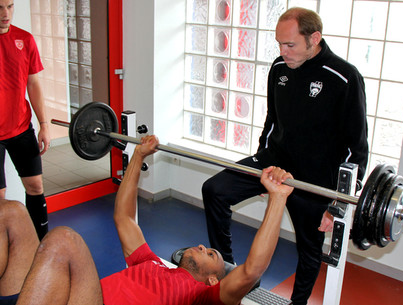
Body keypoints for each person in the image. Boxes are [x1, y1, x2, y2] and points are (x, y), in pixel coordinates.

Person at [0, 135, 295, 305]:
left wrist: (277, 198)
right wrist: (139, 155)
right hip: (74, 297)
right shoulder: (149, 262)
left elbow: (252, 270)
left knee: (64, 239)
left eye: (211, 254)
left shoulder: (202, 297)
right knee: (11, 211)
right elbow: (124, 217)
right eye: (208, 247)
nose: (203, 246)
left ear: (213, 279)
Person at [202, 7, 368, 304]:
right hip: (274, 160)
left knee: (309, 249)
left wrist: (339, 203)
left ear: (314, 38)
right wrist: (261, 165)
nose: (283, 51)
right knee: (214, 190)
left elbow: (357, 148)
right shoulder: (279, 68)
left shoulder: (344, 78)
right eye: (279, 43)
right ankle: (230, 274)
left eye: (290, 44)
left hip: (315, 178)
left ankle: (298, 302)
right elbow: (271, 121)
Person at [0, 0, 50, 240]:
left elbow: (33, 83)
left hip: (21, 128)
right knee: (1, 199)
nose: (5, 14)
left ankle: (41, 247)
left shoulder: (25, 39)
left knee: (36, 187)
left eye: (9, 7)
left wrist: (45, 124)